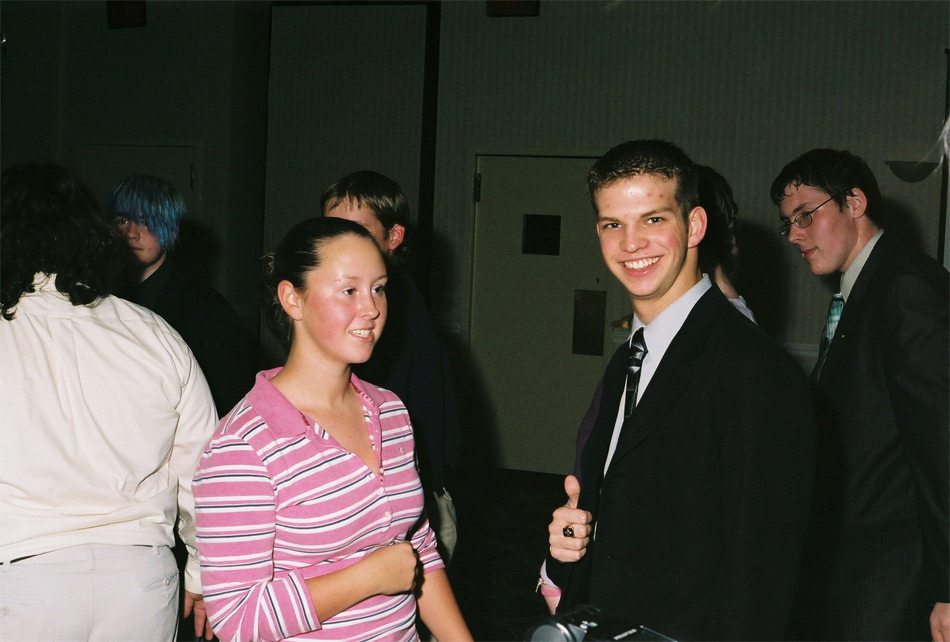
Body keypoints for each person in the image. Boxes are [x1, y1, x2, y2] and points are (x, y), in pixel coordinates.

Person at [542, 140, 815, 640]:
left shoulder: (754, 370)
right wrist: (573, 545)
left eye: (653, 219)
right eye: (613, 225)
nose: (631, 244)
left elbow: (762, 577)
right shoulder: (629, 358)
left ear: (695, 225)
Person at [192, 217, 471, 642]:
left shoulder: (391, 412)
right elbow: (236, 619)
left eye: (379, 288)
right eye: (349, 290)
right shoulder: (243, 445)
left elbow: (420, 551)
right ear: (293, 299)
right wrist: (367, 577)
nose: (372, 308)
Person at [0, 164, 217, 641]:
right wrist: (203, 573)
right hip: (141, 580)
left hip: (24, 575)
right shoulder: (152, 331)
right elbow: (205, 469)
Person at [771, 148, 949, 641]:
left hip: (893, 577)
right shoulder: (863, 292)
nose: (795, 235)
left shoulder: (905, 288)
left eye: (805, 215)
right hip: (860, 567)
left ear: (854, 202)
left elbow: (943, 445)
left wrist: (948, 587)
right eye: (788, 223)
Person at [322, 171, 461, 563]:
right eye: (331, 229)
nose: (340, 242)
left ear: (393, 236)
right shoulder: (377, 299)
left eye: (357, 231)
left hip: (406, 509)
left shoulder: (388, 310)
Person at [107, 174, 255, 415]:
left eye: (146, 221)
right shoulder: (98, 296)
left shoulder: (208, 310)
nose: (131, 233)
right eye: (122, 220)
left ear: (172, 231)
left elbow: (228, 401)